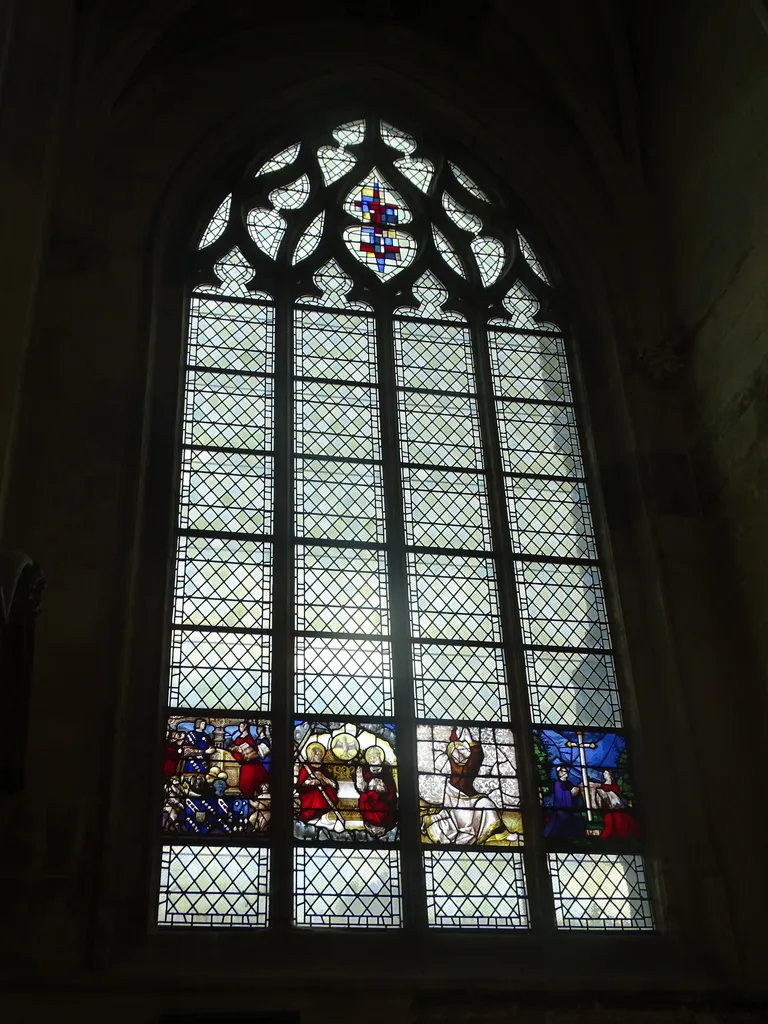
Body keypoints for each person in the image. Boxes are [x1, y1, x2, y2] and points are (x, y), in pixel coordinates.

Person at [423, 731, 501, 845]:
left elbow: (475, 759)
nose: (461, 754)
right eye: (457, 751)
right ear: (452, 756)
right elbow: (476, 758)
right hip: (459, 807)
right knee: (485, 804)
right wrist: (470, 742)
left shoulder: (459, 768)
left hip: (466, 802)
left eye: (462, 751)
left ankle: (493, 834)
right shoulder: (463, 770)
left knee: (485, 804)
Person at [355, 745, 397, 837]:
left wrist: (383, 794)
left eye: (375, 756)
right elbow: (362, 788)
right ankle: (373, 824)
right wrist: (359, 777)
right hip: (370, 800)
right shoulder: (366, 771)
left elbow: (391, 788)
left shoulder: (386, 771)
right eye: (370, 757)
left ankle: (382, 825)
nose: (372, 759)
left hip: (384, 799)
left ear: (379, 757)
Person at [296, 742, 339, 823]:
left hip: (321, 788)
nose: (320, 756)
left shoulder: (322, 768)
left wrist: (323, 778)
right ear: (313, 755)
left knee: (329, 790)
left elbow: (332, 783)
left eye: (321, 754)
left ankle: (324, 817)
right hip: (308, 792)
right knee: (318, 793)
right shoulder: (306, 768)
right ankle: (315, 817)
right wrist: (313, 782)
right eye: (318, 754)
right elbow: (301, 783)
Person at [593, 768, 641, 840]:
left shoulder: (614, 785)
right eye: (603, 773)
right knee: (609, 821)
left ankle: (623, 837)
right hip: (607, 808)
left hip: (617, 807)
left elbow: (617, 794)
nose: (604, 774)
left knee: (620, 821)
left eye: (605, 773)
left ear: (610, 775)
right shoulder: (602, 785)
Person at [543, 764, 587, 840]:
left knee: (578, 817)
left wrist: (576, 792)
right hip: (561, 809)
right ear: (559, 773)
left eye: (566, 771)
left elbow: (574, 793)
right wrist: (570, 793)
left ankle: (580, 839)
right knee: (565, 819)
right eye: (563, 771)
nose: (565, 772)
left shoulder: (569, 783)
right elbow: (560, 796)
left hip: (571, 807)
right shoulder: (558, 784)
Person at [228, 721, 270, 798]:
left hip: (253, 765)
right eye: (240, 726)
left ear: (245, 727)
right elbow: (235, 754)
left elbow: (256, 752)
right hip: (244, 765)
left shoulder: (250, 739)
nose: (240, 728)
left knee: (254, 783)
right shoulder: (238, 739)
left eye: (241, 726)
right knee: (244, 784)